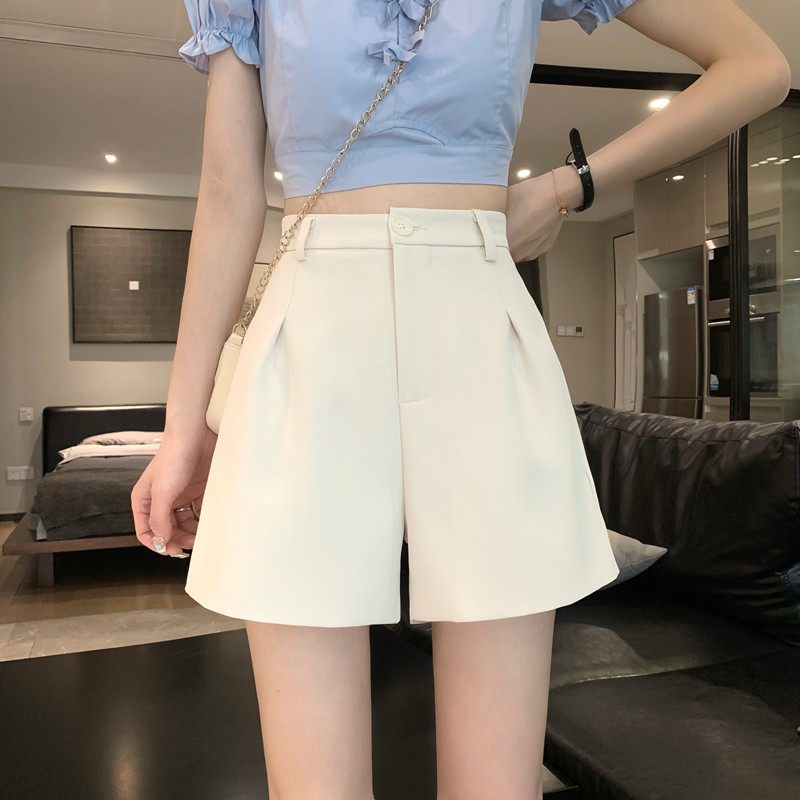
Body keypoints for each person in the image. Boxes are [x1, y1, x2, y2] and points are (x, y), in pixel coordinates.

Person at [131, 1, 791, 797]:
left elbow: (758, 65)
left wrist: (570, 185)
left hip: (478, 336)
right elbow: (227, 192)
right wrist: (181, 426)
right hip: (308, 342)